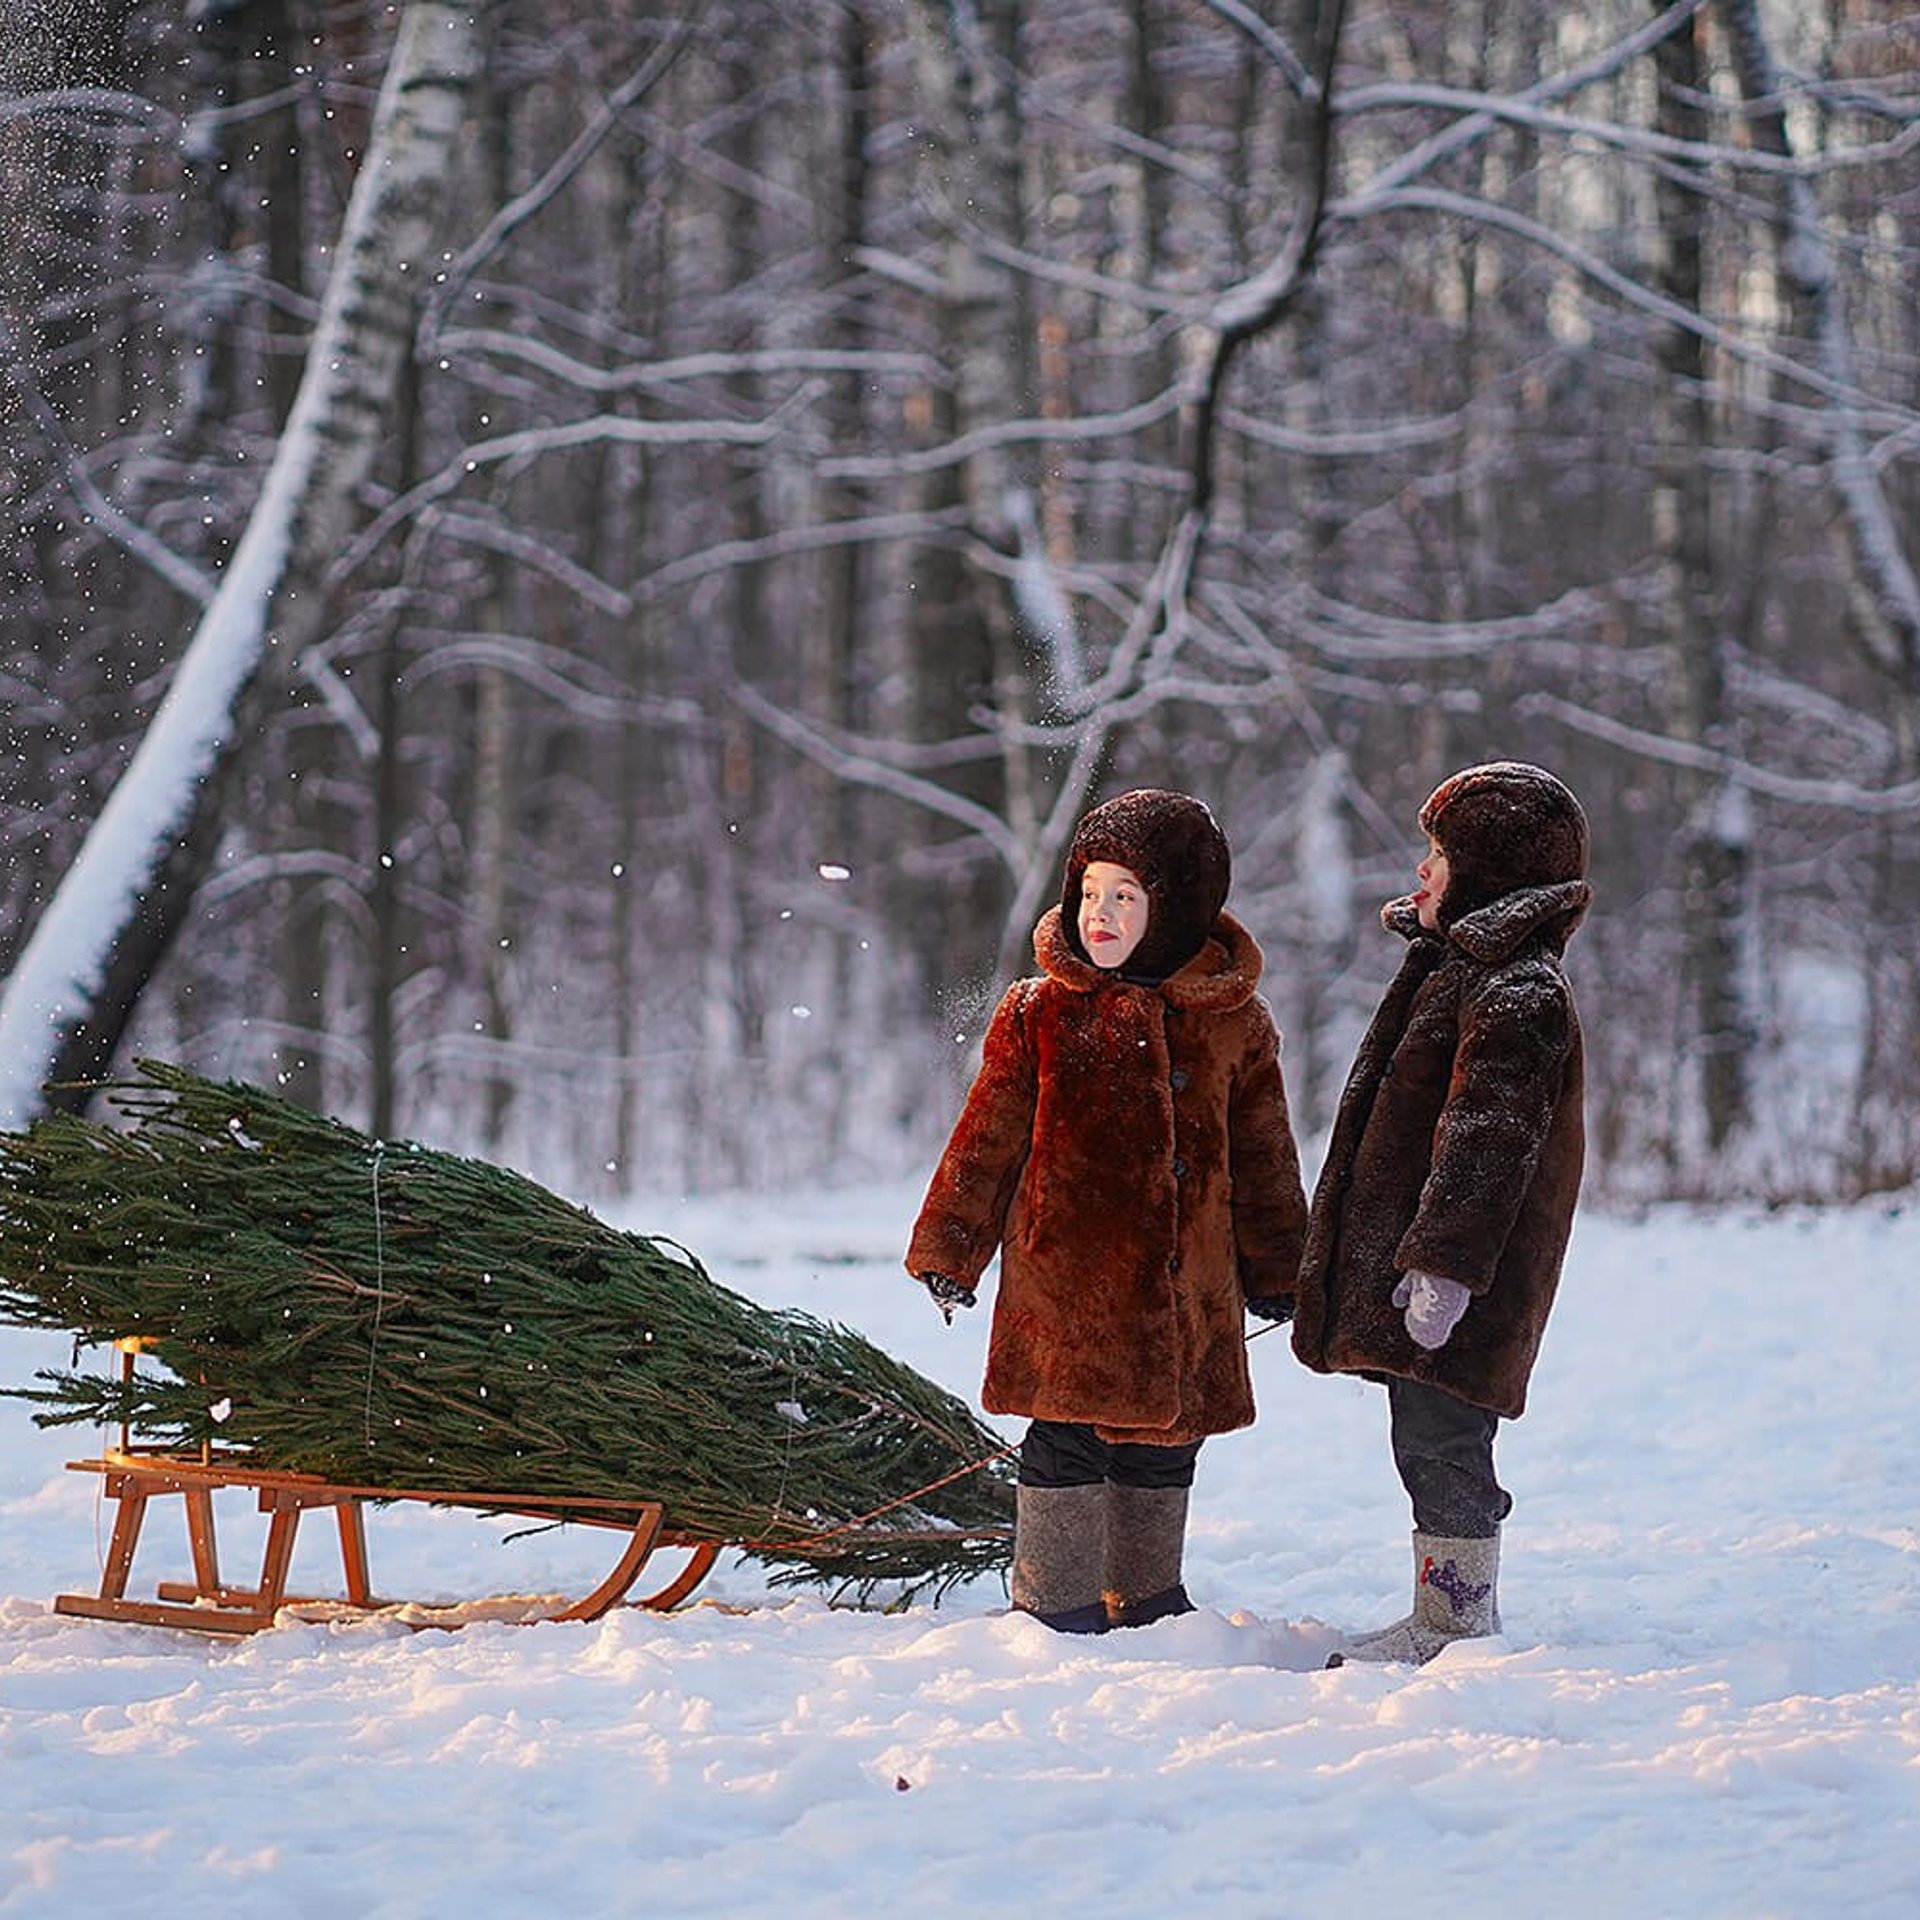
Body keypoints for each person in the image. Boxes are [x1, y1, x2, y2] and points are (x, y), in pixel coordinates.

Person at [907, 789, 1308, 1633]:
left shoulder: (1234, 1024)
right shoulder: (1040, 1013)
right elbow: (987, 1140)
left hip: (1184, 1289)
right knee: (1065, 1441)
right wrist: (952, 1246)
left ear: (1178, 908)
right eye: (1089, 892)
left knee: (1166, 1443)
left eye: (1126, 895)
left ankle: (1147, 1592)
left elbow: (1266, 1158)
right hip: (1068, 1288)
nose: (1100, 913)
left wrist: (1278, 1268)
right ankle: (1053, 1597)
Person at [1291, 761, 1590, 1664]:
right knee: (1424, 1431)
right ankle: (1442, 1609)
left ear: (1489, 872)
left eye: (1440, 856)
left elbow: (1488, 1139)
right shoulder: (1458, 970)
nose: (1421, 872)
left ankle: (1456, 1618)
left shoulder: (1518, 992)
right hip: (1424, 1265)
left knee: (1444, 1436)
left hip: (1468, 1276)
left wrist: (1447, 1262)